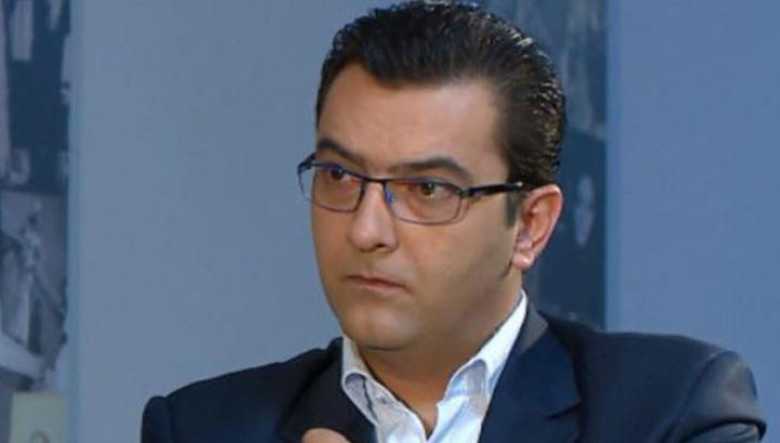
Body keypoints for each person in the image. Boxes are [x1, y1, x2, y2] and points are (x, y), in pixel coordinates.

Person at [141, 2, 766, 442]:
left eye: (427, 189)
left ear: (531, 225)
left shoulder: (669, 411)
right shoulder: (203, 427)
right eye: (340, 176)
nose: (365, 230)